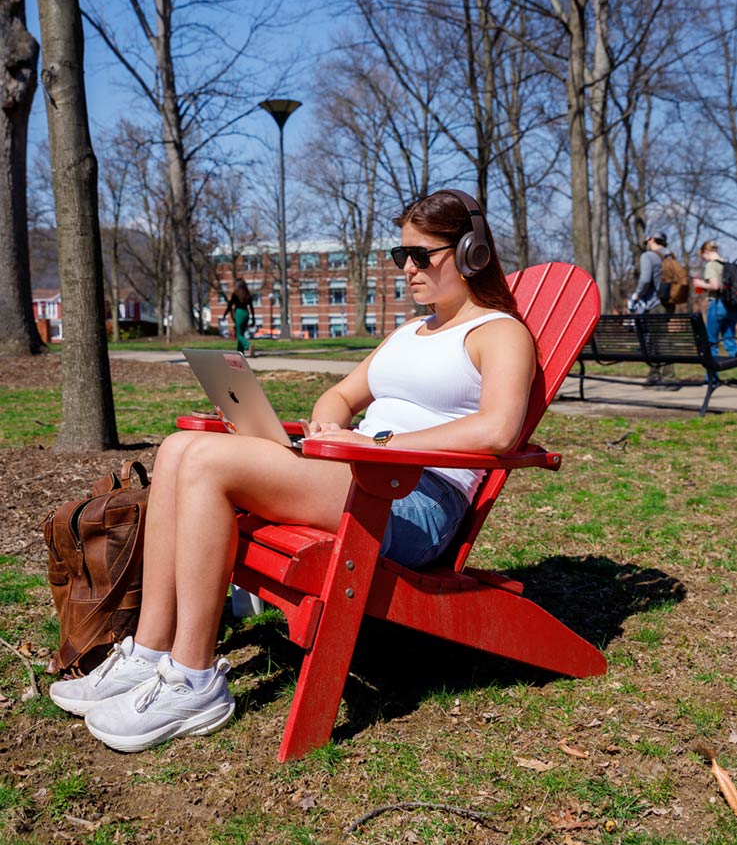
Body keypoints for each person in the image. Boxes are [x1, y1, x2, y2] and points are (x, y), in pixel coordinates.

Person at [49, 190, 537, 752]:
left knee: (206, 463)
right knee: (179, 448)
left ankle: (194, 678)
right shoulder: (408, 334)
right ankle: (150, 652)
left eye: (422, 255)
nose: (408, 268)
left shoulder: (500, 333)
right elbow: (339, 395)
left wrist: (379, 440)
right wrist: (332, 428)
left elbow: (498, 430)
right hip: (358, 476)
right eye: (399, 253)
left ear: (471, 253)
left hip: (414, 501)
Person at [627, 231, 678, 388]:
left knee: (658, 341)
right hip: (668, 304)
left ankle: (668, 379)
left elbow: (645, 279)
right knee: (657, 340)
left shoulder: (648, 256)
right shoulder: (671, 256)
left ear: (650, 239)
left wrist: (636, 296)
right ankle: (654, 375)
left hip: (654, 304)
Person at [692, 240, 737, 360]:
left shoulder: (712, 265)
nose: (704, 260)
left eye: (703, 257)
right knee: (729, 340)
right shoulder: (727, 264)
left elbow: (715, 286)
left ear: (706, 252)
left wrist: (701, 283)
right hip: (731, 306)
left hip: (717, 304)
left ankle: (712, 377)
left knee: (711, 341)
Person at [224, 279, 255, 354]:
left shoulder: (235, 294)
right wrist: (253, 319)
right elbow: (251, 307)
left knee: (239, 334)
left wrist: (224, 314)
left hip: (239, 313)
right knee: (242, 333)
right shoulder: (248, 295)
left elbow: (230, 305)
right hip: (246, 313)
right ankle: (240, 352)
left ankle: (247, 345)